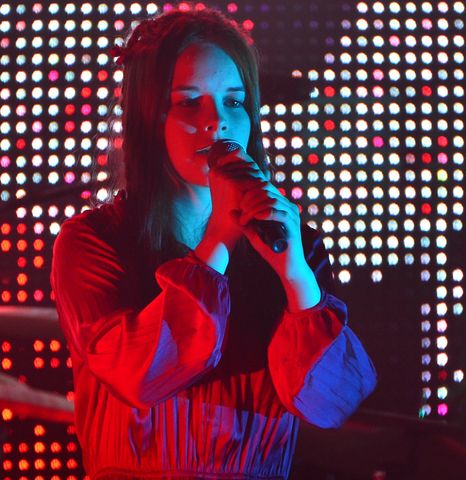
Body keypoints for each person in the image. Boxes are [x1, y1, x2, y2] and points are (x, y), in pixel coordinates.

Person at [51, 7, 376, 479]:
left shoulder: (290, 244)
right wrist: (217, 243)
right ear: (147, 116)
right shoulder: (93, 242)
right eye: (188, 103)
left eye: (234, 102)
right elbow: (141, 371)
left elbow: (332, 401)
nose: (216, 122)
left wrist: (296, 277)